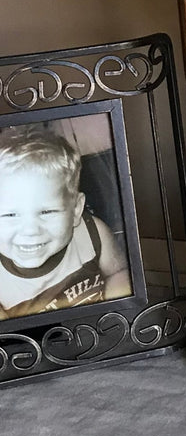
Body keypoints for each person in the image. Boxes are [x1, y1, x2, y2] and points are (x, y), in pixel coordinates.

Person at [0, 125, 131, 320]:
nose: (30, 230)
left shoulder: (92, 231)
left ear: (76, 210)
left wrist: (114, 318)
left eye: (46, 211)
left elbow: (118, 273)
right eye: (10, 215)